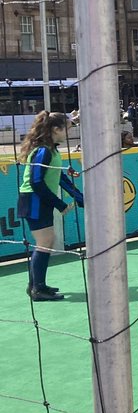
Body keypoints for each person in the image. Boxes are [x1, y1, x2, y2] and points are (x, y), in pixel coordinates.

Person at [17, 112, 83, 301]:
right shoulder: (43, 151)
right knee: (45, 242)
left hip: (38, 200)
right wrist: (60, 204)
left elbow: (57, 176)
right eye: (67, 128)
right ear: (56, 129)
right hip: (33, 200)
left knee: (47, 242)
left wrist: (77, 196)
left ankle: (37, 284)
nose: (69, 132)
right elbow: (37, 182)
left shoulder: (51, 149)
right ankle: (37, 289)